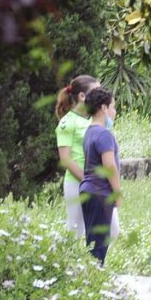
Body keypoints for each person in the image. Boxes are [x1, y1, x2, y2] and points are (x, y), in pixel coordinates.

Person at [55, 75, 120, 240]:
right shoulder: (67, 123)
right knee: (76, 231)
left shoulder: (94, 121)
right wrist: (87, 180)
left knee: (112, 229)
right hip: (77, 183)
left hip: (97, 184)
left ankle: (97, 264)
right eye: (94, 91)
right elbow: (66, 158)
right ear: (82, 96)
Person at [79, 86, 121, 265]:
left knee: (93, 239)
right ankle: (94, 280)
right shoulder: (104, 134)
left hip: (88, 190)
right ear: (103, 108)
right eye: (112, 106)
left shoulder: (89, 132)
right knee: (98, 244)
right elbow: (109, 166)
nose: (114, 111)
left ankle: (92, 278)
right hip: (100, 192)